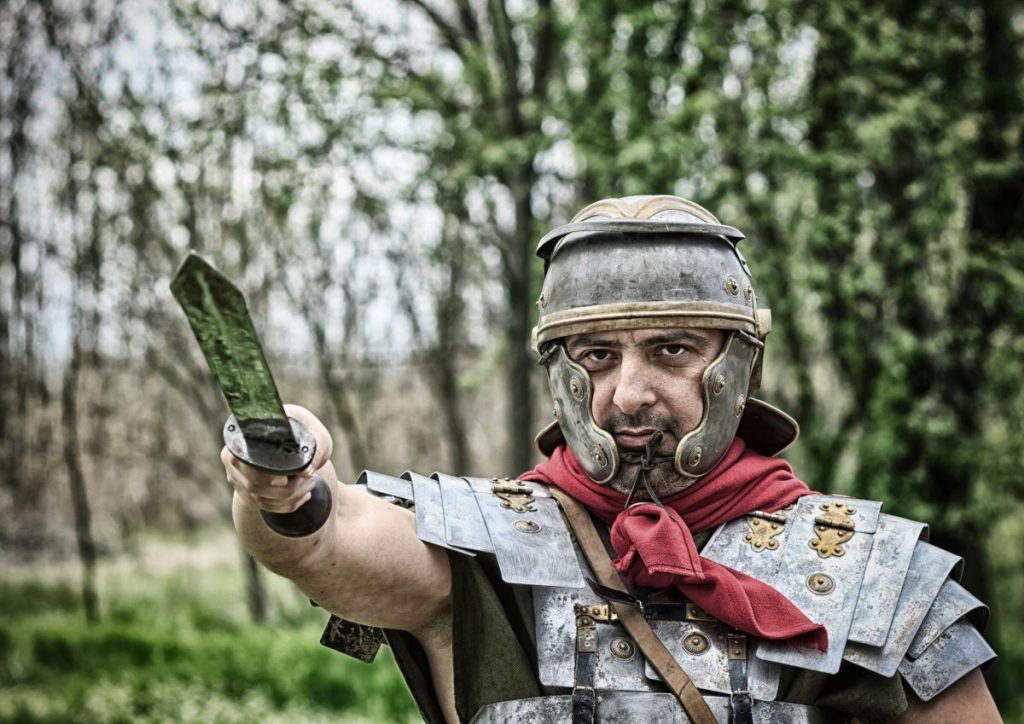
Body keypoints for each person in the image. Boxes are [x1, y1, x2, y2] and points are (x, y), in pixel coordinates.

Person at [222, 195, 1001, 723]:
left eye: (672, 350)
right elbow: (326, 543)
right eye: (596, 355)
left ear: (737, 367)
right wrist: (288, 482)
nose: (629, 393)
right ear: (560, 374)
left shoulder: (877, 577)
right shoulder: (485, 554)